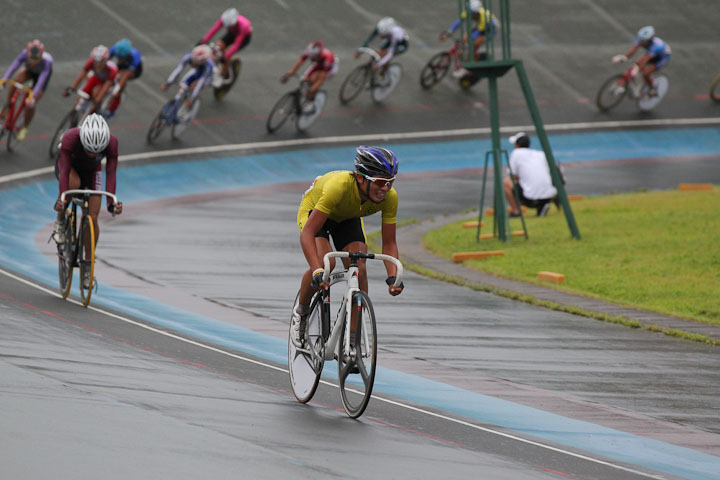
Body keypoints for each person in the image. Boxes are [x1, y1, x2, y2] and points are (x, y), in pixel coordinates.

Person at [291, 146, 404, 348]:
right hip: (315, 214)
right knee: (327, 264)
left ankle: (353, 340)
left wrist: (393, 278)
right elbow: (308, 234)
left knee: (359, 268)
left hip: (348, 218)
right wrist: (317, 269)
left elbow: (389, 243)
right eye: (380, 182)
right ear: (361, 178)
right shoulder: (339, 186)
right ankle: (302, 311)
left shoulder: (390, 198)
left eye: (390, 182)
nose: (385, 189)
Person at [53, 114, 122, 288]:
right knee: (73, 184)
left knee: (92, 217)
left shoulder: (112, 143)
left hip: (92, 173)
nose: (92, 154)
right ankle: (61, 221)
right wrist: (62, 197)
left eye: (96, 152)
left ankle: (87, 267)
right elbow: (65, 170)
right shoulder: (70, 138)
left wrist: (111, 204)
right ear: (82, 141)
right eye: (88, 150)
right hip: (70, 168)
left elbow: (111, 174)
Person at [0, 40, 53, 141]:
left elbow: (41, 81)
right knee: (16, 81)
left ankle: (25, 126)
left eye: (36, 59)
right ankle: (8, 105)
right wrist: (3, 81)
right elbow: (13, 67)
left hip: (41, 78)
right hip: (29, 72)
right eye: (31, 58)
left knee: (30, 104)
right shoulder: (24, 53)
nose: (33, 62)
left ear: (41, 55)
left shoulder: (47, 62)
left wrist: (32, 97)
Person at [503, 132, 558, 218]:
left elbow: (512, 175)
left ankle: (516, 211)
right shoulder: (540, 154)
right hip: (548, 196)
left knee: (507, 182)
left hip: (529, 198)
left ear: (517, 145)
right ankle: (543, 204)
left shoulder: (516, 153)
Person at [611, 26, 671, 97]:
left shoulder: (656, 47)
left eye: (643, 41)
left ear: (649, 40)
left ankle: (652, 89)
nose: (641, 42)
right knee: (635, 66)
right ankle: (624, 84)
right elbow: (633, 50)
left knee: (645, 73)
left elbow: (646, 60)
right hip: (651, 54)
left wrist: (637, 69)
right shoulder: (642, 40)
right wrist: (624, 57)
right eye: (640, 39)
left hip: (662, 57)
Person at [199, 7, 252, 83]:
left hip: (243, 37)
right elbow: (214, 30)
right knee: (218, 46)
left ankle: (222, 75)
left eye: (229, 26)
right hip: (233, 33)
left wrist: (225, 57)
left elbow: (236, 44)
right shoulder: (225, 19)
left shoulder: (244, 26)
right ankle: (213, 69)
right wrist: (203, 41)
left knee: (227, 52)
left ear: (234, 23)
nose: (227, 27)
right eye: (226, 26)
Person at [63, 45, 118, 117]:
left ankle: (92, 114)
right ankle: (73, 117)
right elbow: (81, 76)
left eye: (100, 62)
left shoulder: (112, 71)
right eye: (95, 62)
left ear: (105, 61)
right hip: (97, 78)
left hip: (108, 84)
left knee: (96, 93)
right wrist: (71, 88)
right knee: (81, 96)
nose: (97, 64)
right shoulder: (91, 62)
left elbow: (105, 88)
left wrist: (97, 101)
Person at [281, 40, 337, 110]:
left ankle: (311, 101)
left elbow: (321, 80)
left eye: (313, 57)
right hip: (318, 64)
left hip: (329, 69)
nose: (311, 59)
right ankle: (306, 96)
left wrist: (310, 91)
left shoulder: (327, 59)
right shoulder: (309, 51)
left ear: (319, 55)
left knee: (314, 80)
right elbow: (298, 65)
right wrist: (288, 75)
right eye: (310, 57)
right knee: (304, 79)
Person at [439, 0, 498, 66]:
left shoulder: (483, 16)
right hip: (480, 27)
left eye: (476, 13)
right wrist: (449, 33)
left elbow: (477, 33)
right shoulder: (468, 12)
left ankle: (475, 65)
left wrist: (465, 46)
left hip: (490, 30)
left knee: (474, 44)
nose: (474, 15)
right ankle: (469, 59)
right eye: (472, 13)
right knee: (465, 37)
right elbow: (458, 23)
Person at [161, 45, 214, 110]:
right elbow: (178, 70)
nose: (193, 63)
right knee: (182, 84)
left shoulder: (208, 67)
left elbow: (201, 82)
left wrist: (192, 99)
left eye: (196, 62)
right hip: (197, 71)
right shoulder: (188, 57)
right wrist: (168, 84)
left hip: (207, 78)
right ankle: (178, 102)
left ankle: (190, 107)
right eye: (193, 60)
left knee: (193, 86)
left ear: (203, 61)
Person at [105, 38, 143, 118]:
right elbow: (105, 61)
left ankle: (115, 101)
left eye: (122, 58)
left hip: (134, 70)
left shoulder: (135, 55)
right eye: (118, 57)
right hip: (122, 66)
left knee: (123, 76)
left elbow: (127, 73)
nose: (120, 60)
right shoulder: (114, 49)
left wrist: (118, 88)